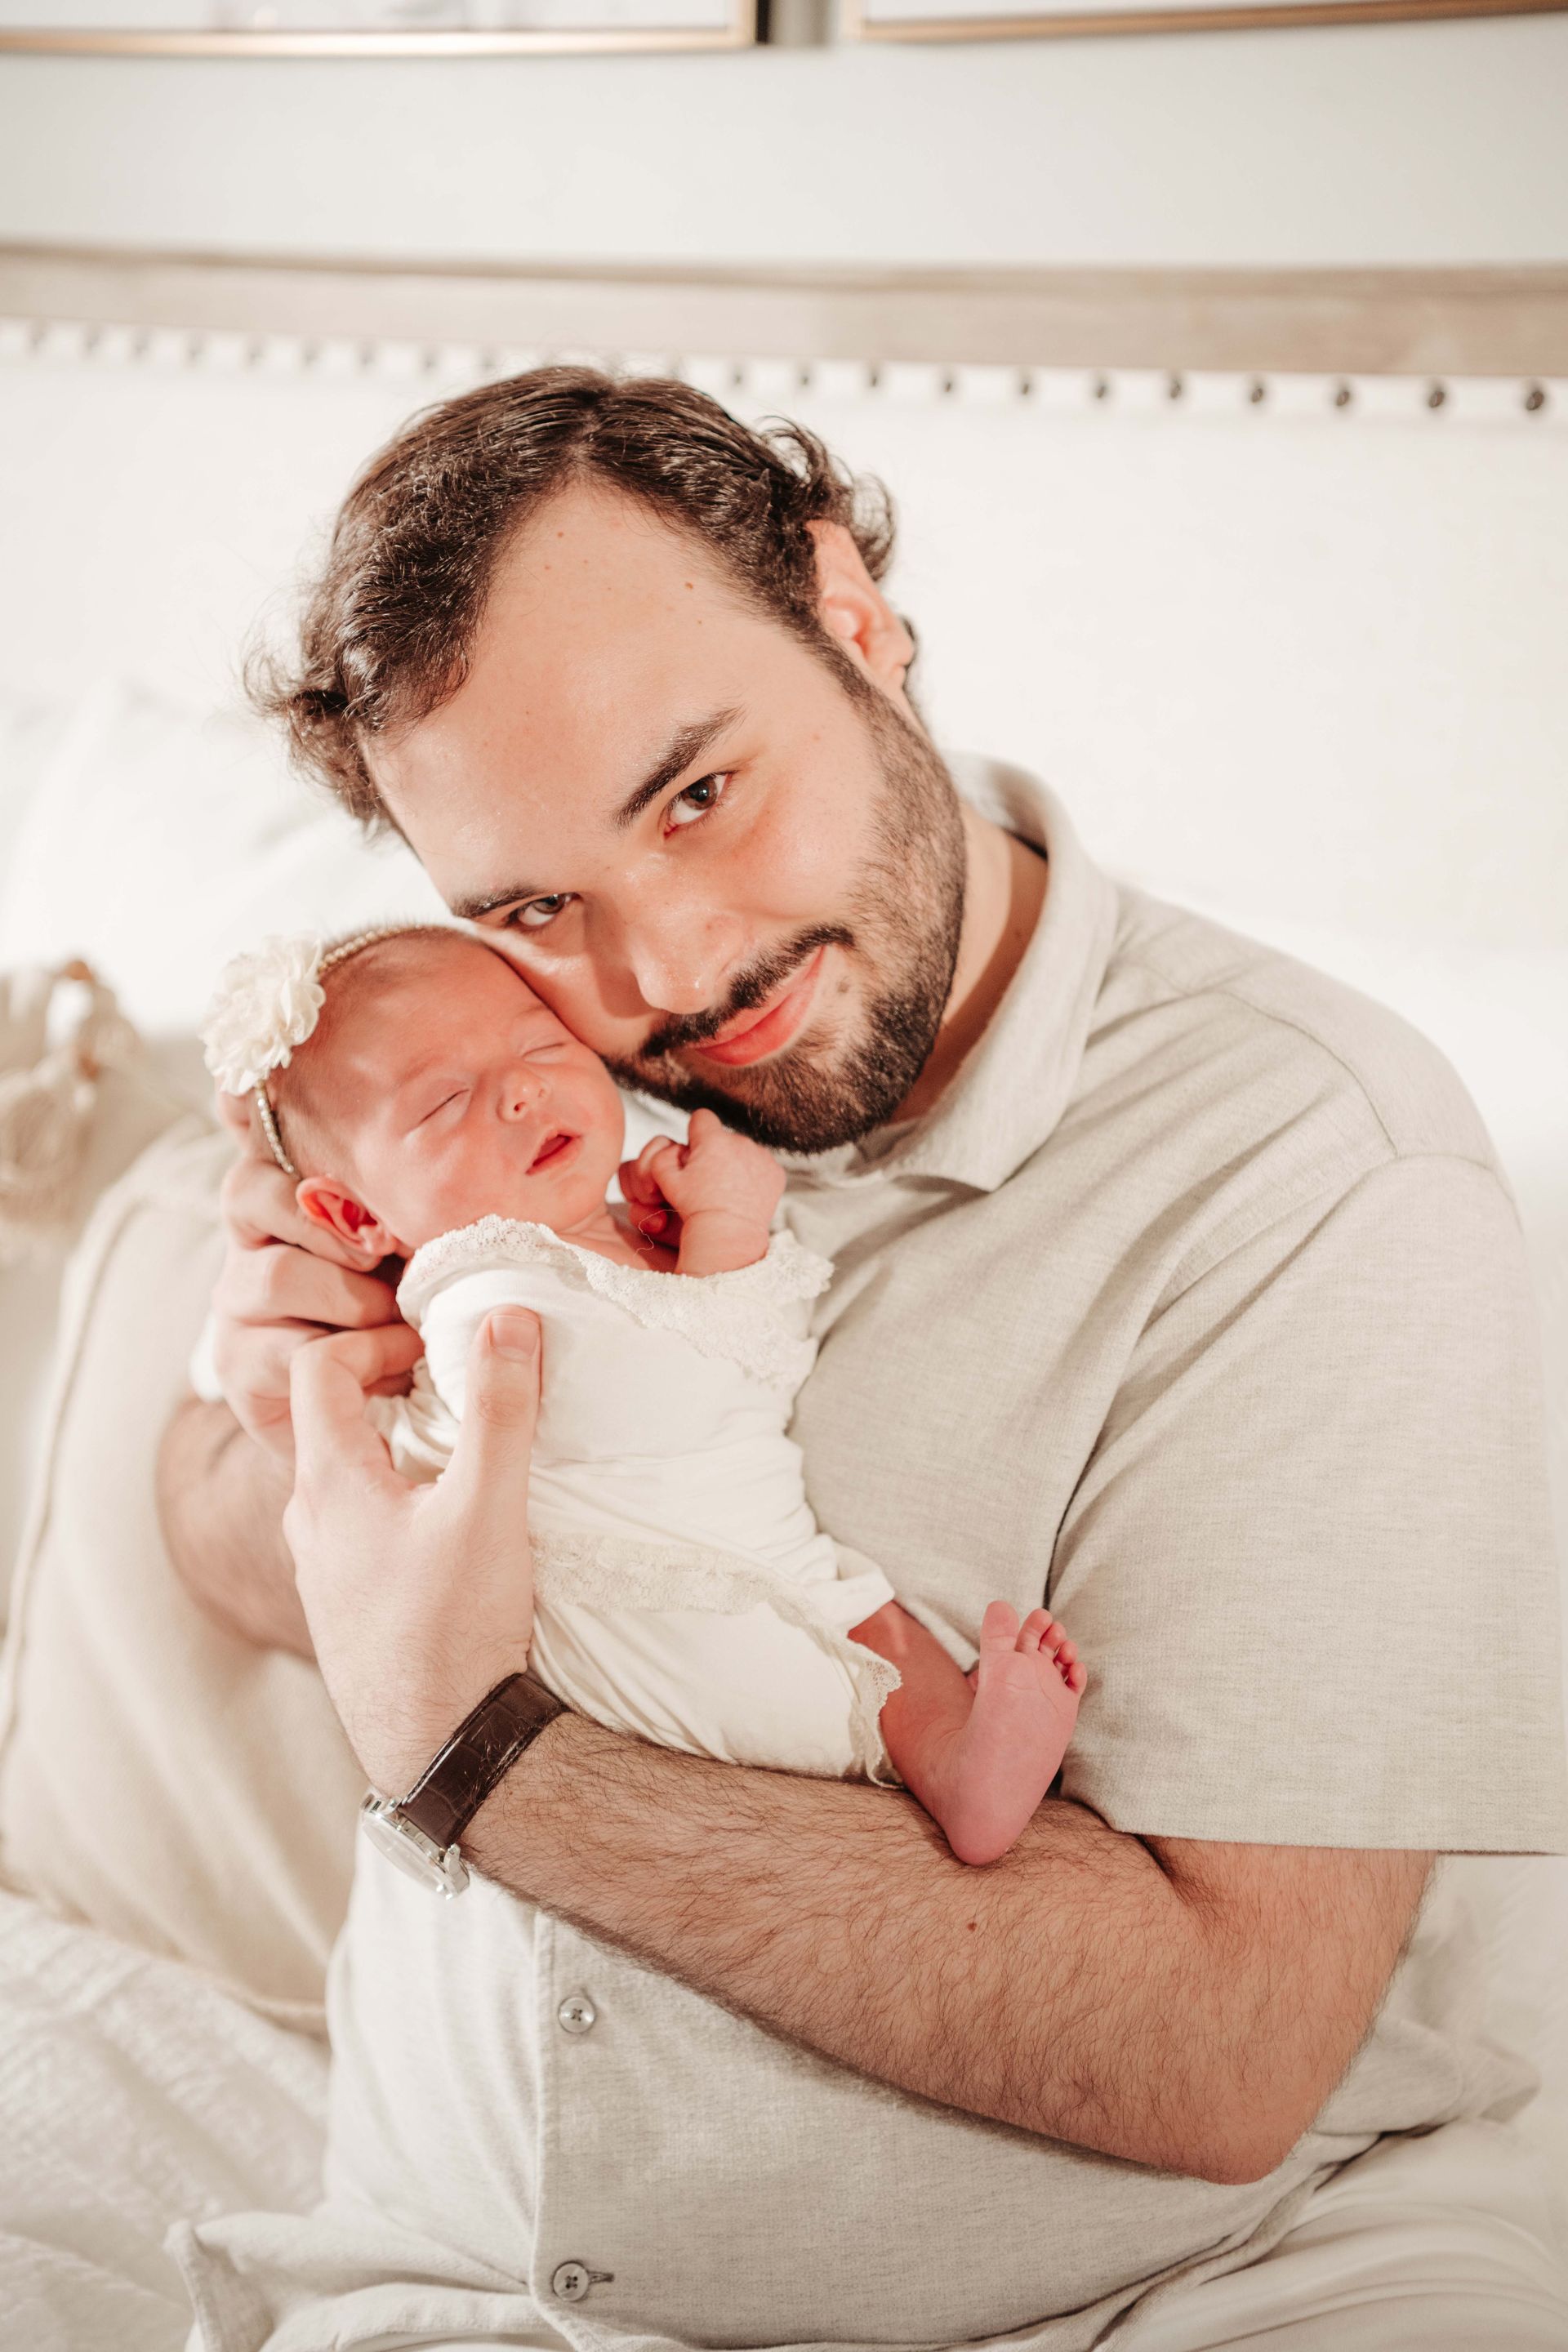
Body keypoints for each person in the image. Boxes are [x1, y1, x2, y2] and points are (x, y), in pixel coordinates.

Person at [160, 367, 1568, 2351]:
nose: (664, 976)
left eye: (698, 792)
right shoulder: (501, 1098)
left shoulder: (1313, 1167)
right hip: (439, 2286)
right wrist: (270, 1405)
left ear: (850, 612)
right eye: (541, 901)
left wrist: (484, 1757)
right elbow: (234, 1541)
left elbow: (1220, 2043)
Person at [197, 918, 1085, 1851]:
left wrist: (667, 1256)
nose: (523, 1088)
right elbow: (662, 1392)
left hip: (743, 1592)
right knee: (858, 1619)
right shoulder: (481, 1290)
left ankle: (959, 1765)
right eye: (445, 1102)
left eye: (543, 1043)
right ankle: (950, 1762)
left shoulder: (593, 1239)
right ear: (352, 1214)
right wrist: (727, 1238)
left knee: (868, 1616)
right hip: (671, 1639)